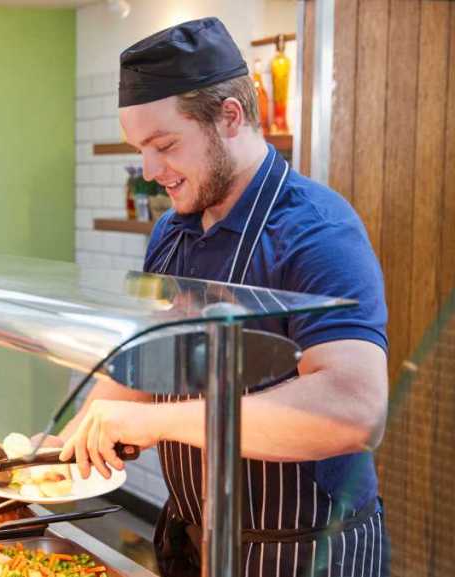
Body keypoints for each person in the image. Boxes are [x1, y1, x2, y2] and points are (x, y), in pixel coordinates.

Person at [54, 18, 389, 577]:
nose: (152, 171)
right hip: (192, 538)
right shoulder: (171, 231)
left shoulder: (318, 232)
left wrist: (157, 424)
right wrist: (61, 445)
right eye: (142, 149)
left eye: (164, 146)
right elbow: (153, 358)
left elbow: (354, 411)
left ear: (229, 117)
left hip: (302, 552)